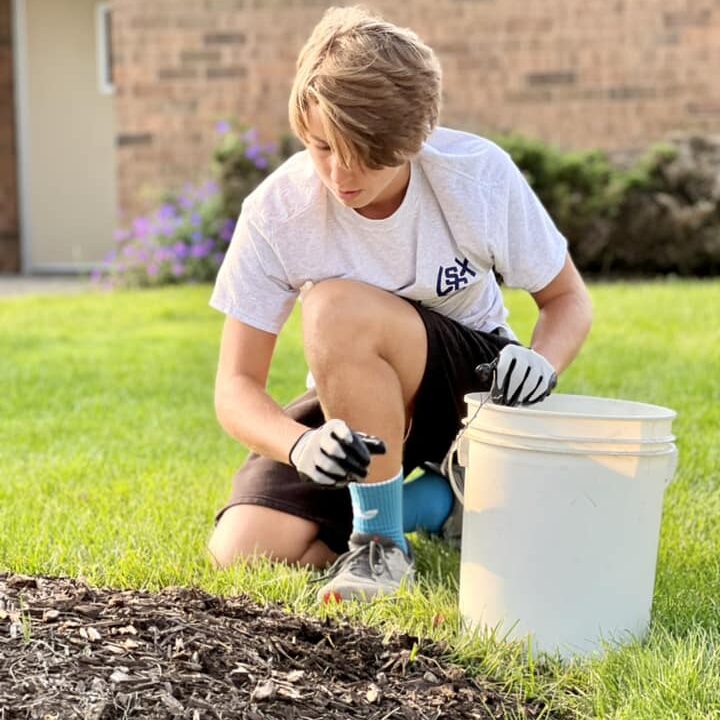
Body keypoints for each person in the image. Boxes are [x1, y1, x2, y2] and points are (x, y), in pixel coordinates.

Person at [207, 5, 593, 603]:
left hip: (474, 392)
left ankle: (380, 546)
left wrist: (543, 361)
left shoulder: (477, 176)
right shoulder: (277, 212)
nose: (340, 173)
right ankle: (435, 505)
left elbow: (567, 299)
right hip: (359, 409)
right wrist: (299, 444)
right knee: (244, 551)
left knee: (334, 308)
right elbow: (235, 386)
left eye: (364, 152)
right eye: (320, 147)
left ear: (414, 139)